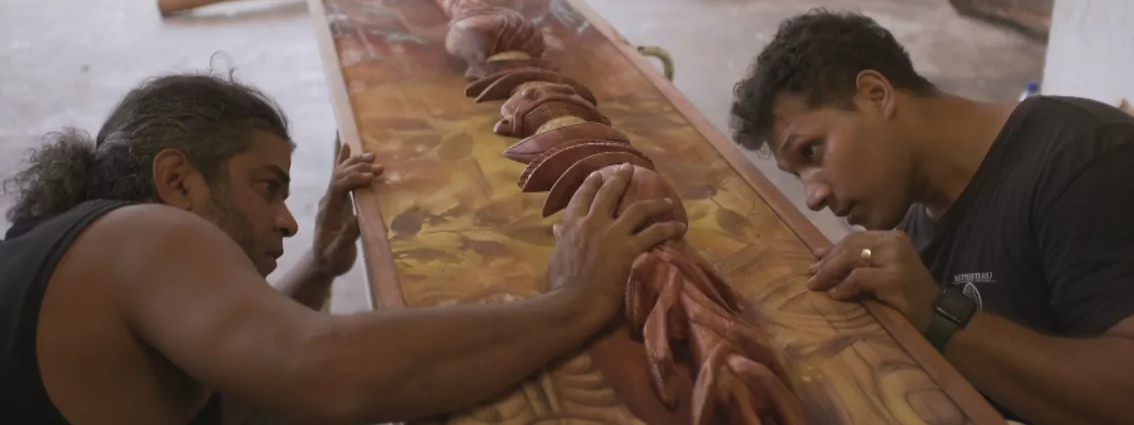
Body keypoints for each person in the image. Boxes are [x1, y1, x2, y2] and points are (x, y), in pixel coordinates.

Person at [0, 73, 683, 425]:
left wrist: (322, 270)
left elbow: (247, 383)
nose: (288, 221)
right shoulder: (142, 234)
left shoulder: (77, 257)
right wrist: (577, 300)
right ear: (178, 181)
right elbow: (320, 369)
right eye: (267, 187)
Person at [728, 9, 1134, 425]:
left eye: (812, 151)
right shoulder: (913, 230)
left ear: (876, 95)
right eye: (798, 176)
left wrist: (939, 317)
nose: (813, 196)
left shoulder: (1092, 163)